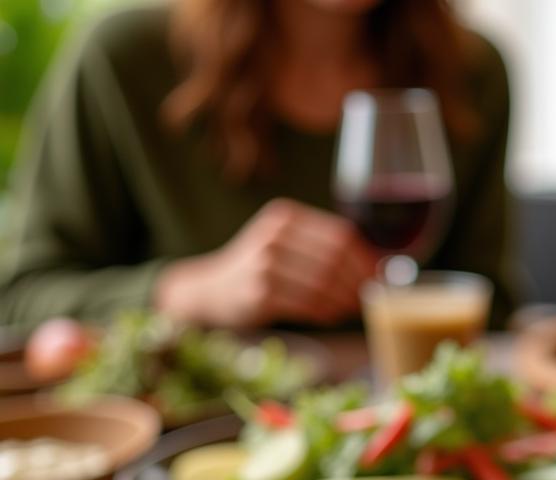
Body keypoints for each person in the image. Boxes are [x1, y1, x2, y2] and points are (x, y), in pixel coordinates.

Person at [0, 0, 514, 330]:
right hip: (180, 456)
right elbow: (20, 300)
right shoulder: (126, 59)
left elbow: (496, 306)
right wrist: (200, 292)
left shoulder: (471, 73)